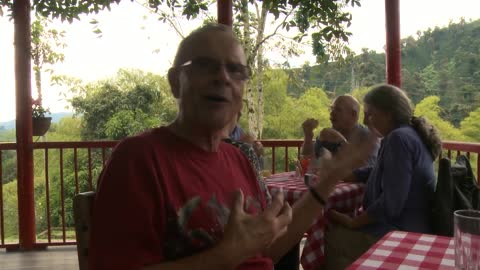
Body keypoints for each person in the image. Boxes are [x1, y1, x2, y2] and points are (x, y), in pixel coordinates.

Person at [88, 23, 377, 270]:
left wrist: (329, 180)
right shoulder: (138, 160)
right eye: (206, 65)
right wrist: (225, 256)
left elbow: (265, 251)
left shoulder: (238, 158)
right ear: (175, 82)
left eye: (235, 70)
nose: (223, 77)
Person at [323, 84, 442, 269]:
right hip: (412, 229)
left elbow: (391, 204)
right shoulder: (408, 134)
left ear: (388, 114)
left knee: (331, 237)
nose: (366, 119)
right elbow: (383, 170)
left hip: (401, 234)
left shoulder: (398, 139)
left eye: (370, 113)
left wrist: (354, 222)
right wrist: (348, 174)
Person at [301, 95, 378, 166]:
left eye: (338, 110)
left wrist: (342, 142)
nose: (331, 113)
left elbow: (370, 168)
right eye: (331, 109)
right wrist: (308, 137)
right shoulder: (328, 135)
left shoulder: (368, 137)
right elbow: (308, 161)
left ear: (353, 114)